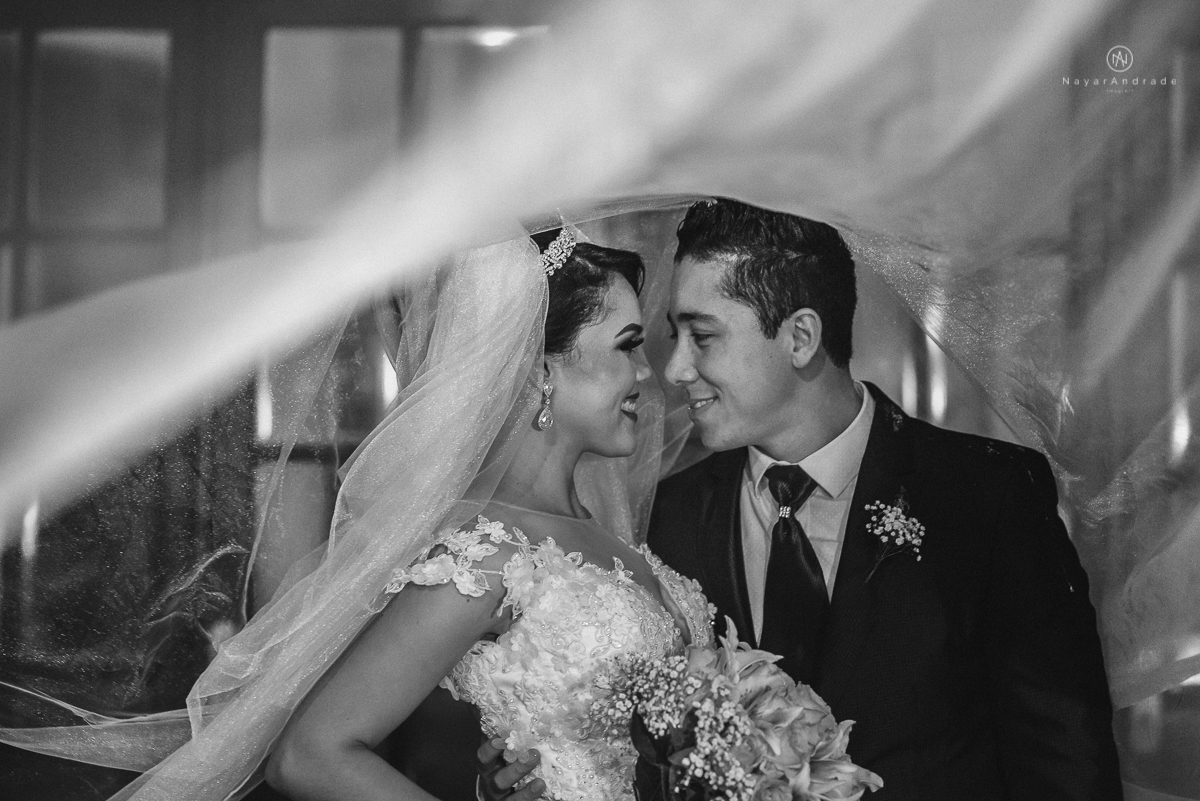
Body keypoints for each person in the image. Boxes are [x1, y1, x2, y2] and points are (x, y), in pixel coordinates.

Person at [482, 199, 1124, 801]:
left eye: (702, 337)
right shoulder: (671, 512)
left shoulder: (985, 496)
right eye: (671, 336)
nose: (674, 369)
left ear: (800, 338)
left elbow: (1067, 763)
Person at [263, 227, 714, 801]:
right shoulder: (489, 553)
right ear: (538, 370)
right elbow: (309, 755)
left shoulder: (604, 529)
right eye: (627, 346)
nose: (646, 374)